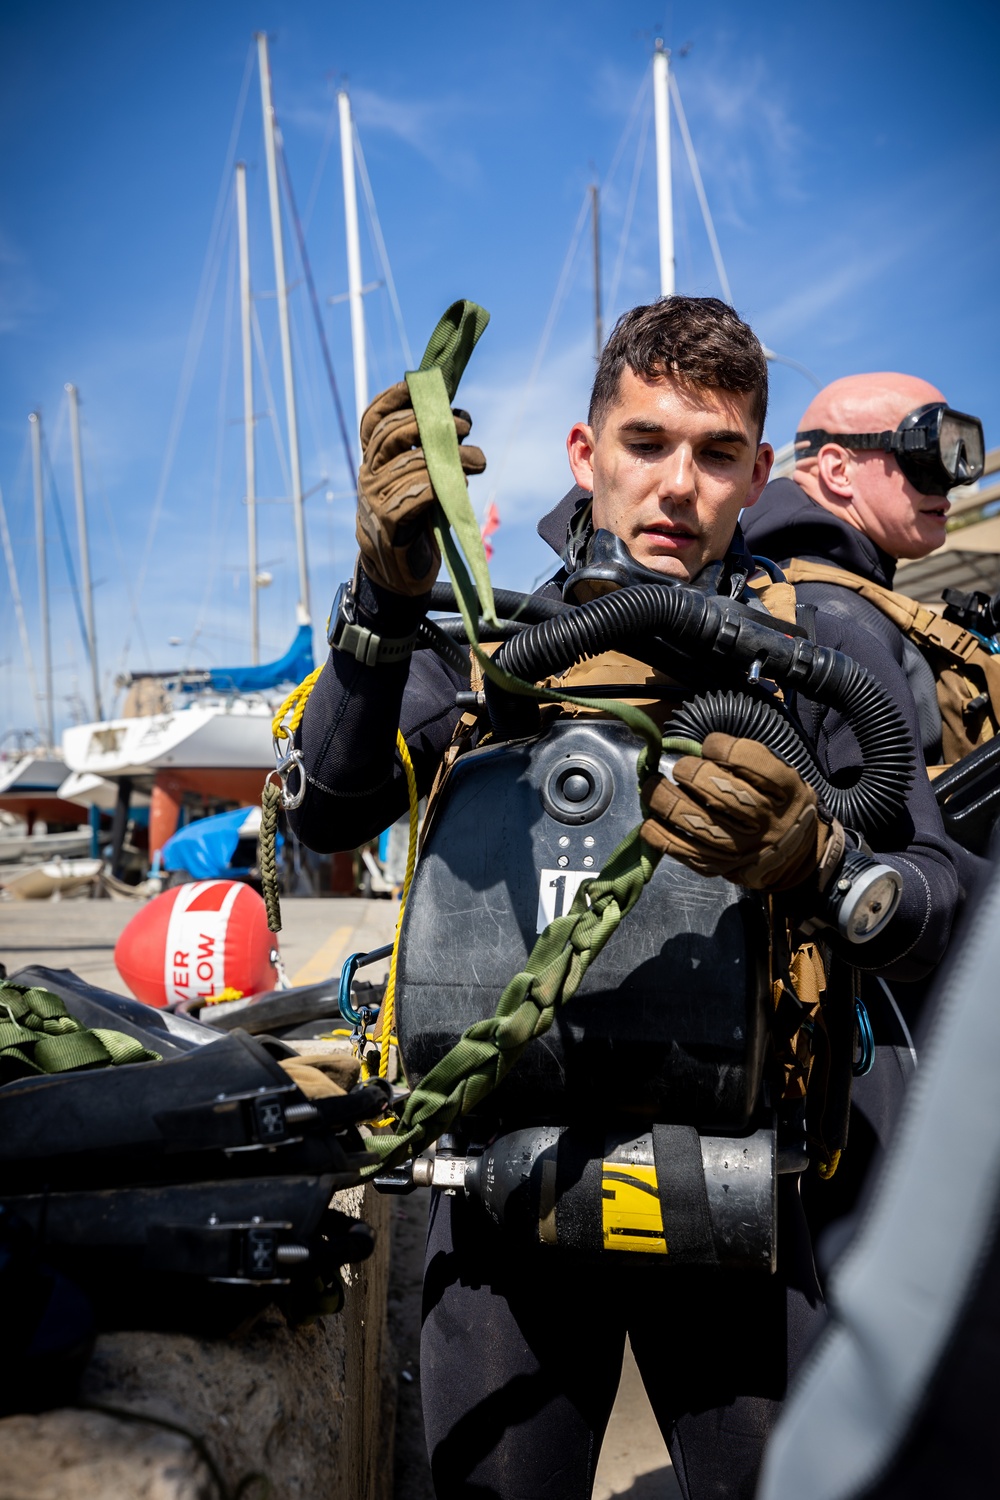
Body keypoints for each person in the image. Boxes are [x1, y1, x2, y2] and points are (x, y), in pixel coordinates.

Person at [290, 297, 962, 1500]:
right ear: (583, 452)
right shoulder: (495, 646)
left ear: (758, 474)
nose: (675, 485)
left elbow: (934, 898)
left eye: (713, 455)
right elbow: (326, 814)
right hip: (505, 1192)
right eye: (645, 443)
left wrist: (818, 860)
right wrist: (382, 602)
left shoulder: (814, 647)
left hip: (743, 1194)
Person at [741, 374, 988, 769]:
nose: (951, 480)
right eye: (929, 454)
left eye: (959, 454)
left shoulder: (819, 587)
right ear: (839, 469)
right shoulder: (835, 614)